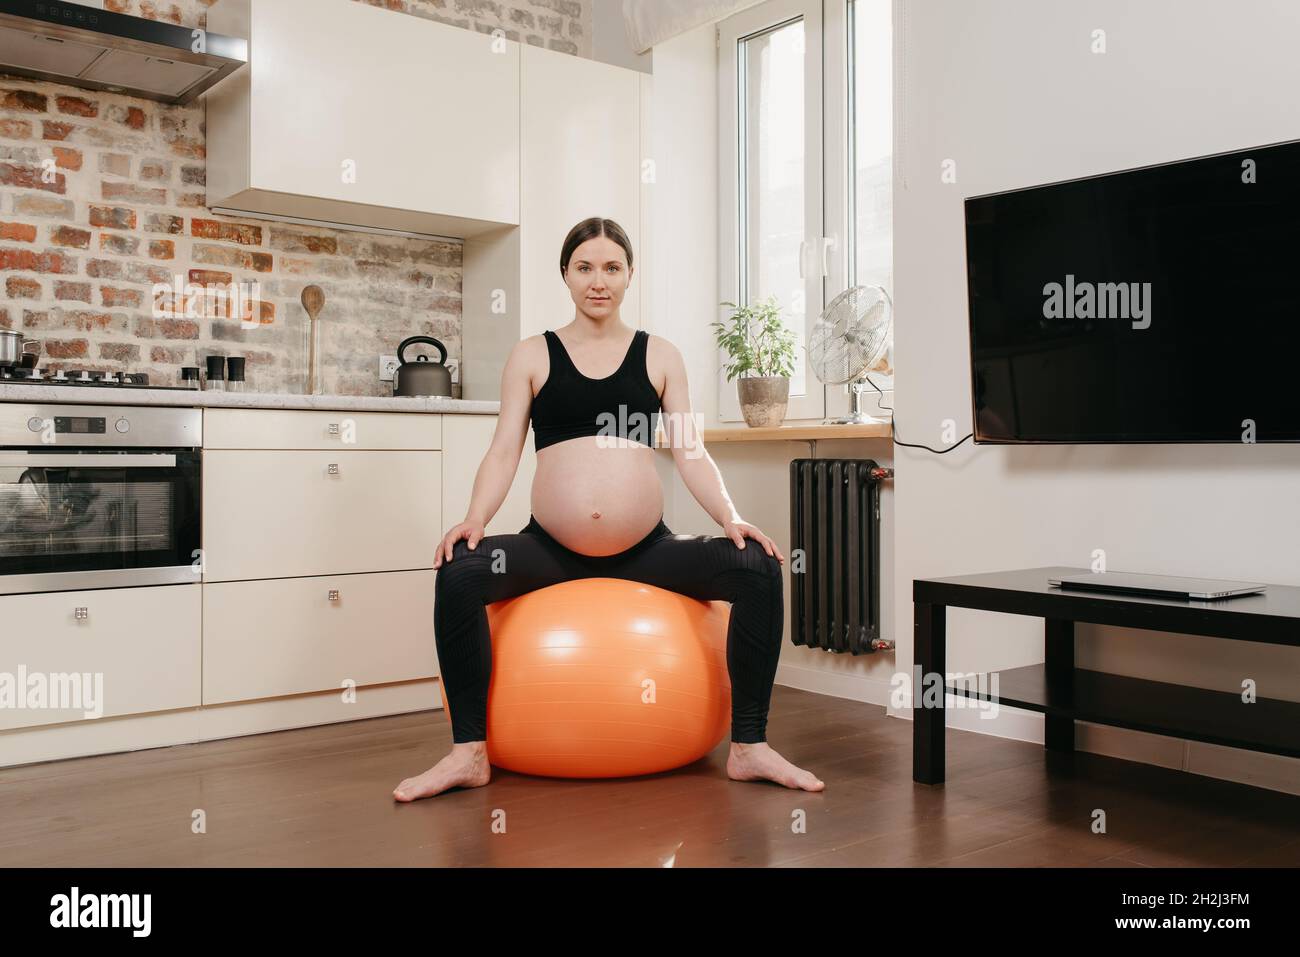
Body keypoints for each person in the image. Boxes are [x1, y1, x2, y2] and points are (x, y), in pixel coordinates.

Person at [393, 217, 825, 801]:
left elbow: (690, 451)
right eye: (585, 268)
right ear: (566, 276)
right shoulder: (532, 355)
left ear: (629, 274)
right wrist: (475, 519)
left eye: (612, 268)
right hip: (550, 550)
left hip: (647, 553)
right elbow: (503, 451)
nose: (599, 281)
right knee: (461, 570)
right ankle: (468, 752)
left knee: (757, 566)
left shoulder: (660, 355)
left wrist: (730, 517)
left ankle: (749, 747)